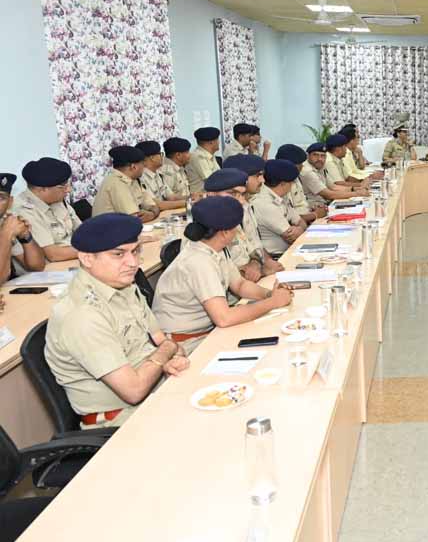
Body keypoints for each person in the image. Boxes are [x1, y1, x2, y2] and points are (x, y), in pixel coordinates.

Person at [44, 213, 190, 429]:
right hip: (122, 420)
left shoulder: (123, 287)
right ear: (87, 258)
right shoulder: (82, 315)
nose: (133, 263)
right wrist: (166, 352)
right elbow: (134, 390)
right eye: (118, 254)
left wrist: (170, 358)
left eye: (135, 251)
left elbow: (162, 341)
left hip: (158, 390)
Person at [152, 196, 293, 353]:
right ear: (225, 232)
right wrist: (273, 302)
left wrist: (269, 294)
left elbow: (240, 285)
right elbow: (224, 318)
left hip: (206, 332)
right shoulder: (199, 261)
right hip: (186, 344)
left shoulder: (214, 248)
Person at [222, 154, 283, 278]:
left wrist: (263, 262)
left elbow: (254, 245)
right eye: (257, 175)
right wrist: (260, 271)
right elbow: (223, 272)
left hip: (253, 274)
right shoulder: (218, 216)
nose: (262, 180)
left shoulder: (246, 205)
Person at [12, 157, 79, 263]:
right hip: (51, 268)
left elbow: (83, 230)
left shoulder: (57, 199)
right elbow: (54, 255)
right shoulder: (24, 211)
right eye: (63, 186)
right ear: (43, 189)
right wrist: (94, 250)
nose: (69, 190)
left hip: (74, 257)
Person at [251, 159, 306, 255]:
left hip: (290, 250)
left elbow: (301, 221)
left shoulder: (281, 196)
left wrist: (300, 229)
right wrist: (301, 229)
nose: (292, 185)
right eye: (292, 182)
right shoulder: (264, 203)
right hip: (276, 256)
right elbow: (292, 237)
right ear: (283, 184)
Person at [92, 146, 160, 222]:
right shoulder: (116, 183)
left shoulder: (134, 180)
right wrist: (152, 214)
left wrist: (153, 213)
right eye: (142, 164)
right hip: (110, 229)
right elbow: (133, 219)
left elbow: (153, 206)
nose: (144, 167)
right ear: (133, 167)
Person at [0, 174, 44, 284]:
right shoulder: (6, 229)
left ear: (10, 202)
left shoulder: (4, 223)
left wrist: (25, 236)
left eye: (1, 198)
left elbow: (37, 266)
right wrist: (6, 234)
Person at [275, 144, 324, 225]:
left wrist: (313, 208)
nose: (302, 166)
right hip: (298, 224)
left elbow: (301, 203)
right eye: (300, 164)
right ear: (290, 164)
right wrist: (315, 215)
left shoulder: (295, 177)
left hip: (306, 218)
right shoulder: (280, 184)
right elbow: (288, 218)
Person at [135, 141, 186, 211]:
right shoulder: (141, 178)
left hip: (165, 213)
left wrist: (191, 197)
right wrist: (187, 202)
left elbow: (171, 197)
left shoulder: (158, 174)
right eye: (160, 154)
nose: (162, 157)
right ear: (152, 158)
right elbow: (158, 205)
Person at [186, 127, 221, 194]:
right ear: (211, 142)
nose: (219, 142)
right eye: (217, 140)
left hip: (211, 194)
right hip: (200, 196)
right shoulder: (198, 157)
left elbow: (219, 175)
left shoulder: (209, 155)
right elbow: (211, 180)